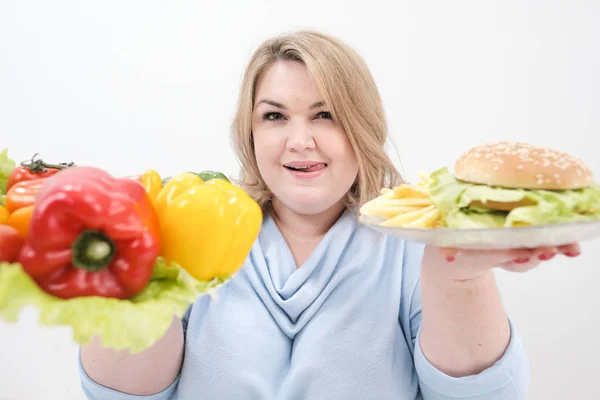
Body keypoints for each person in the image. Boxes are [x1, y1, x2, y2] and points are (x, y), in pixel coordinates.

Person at [78, 30, 580, 400]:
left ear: (362, 127)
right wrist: (133, 274)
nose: (300, 141)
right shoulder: (193, 228)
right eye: (274, 116)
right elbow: (122, 395)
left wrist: (461, 277)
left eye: (325, 114)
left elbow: (482, 395)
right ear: (251, 133)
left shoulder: (411, 244)